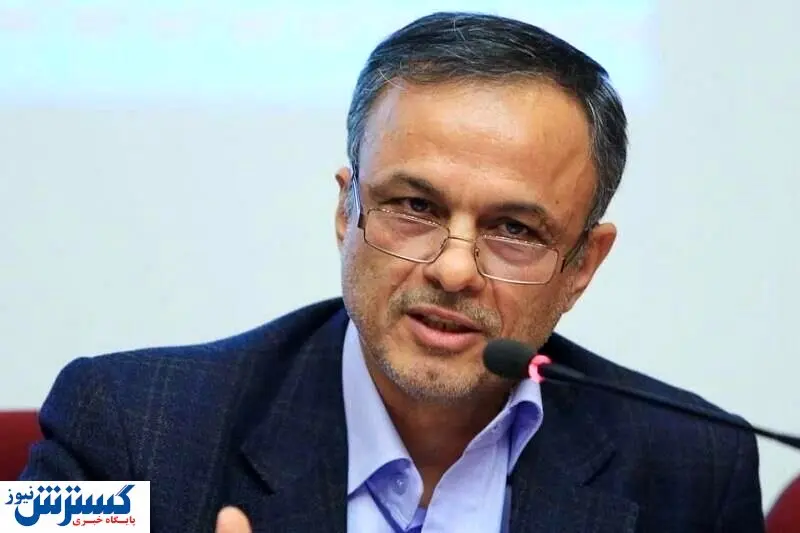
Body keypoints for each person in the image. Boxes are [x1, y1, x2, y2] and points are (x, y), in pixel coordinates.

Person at [20, 11, 765, 533]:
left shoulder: (692, 469)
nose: (453, 268)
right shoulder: (124, 426)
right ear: (347, 211)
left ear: (582, 265)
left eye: (514, 229)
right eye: (415, 206)